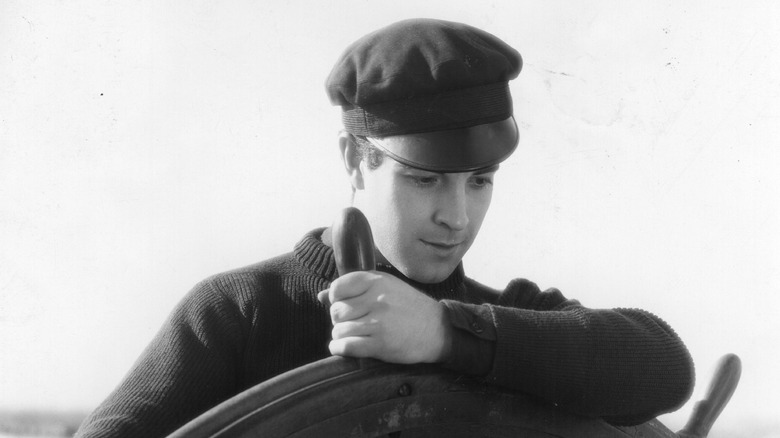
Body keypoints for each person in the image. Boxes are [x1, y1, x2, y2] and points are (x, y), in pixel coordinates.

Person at [75, 18, 694, 437]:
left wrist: (446, 335)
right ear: (353, 157)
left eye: (481, 179)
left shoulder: (509, 318)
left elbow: (667, 367)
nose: (457, 215)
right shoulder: (239, 314)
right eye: (425, 179)